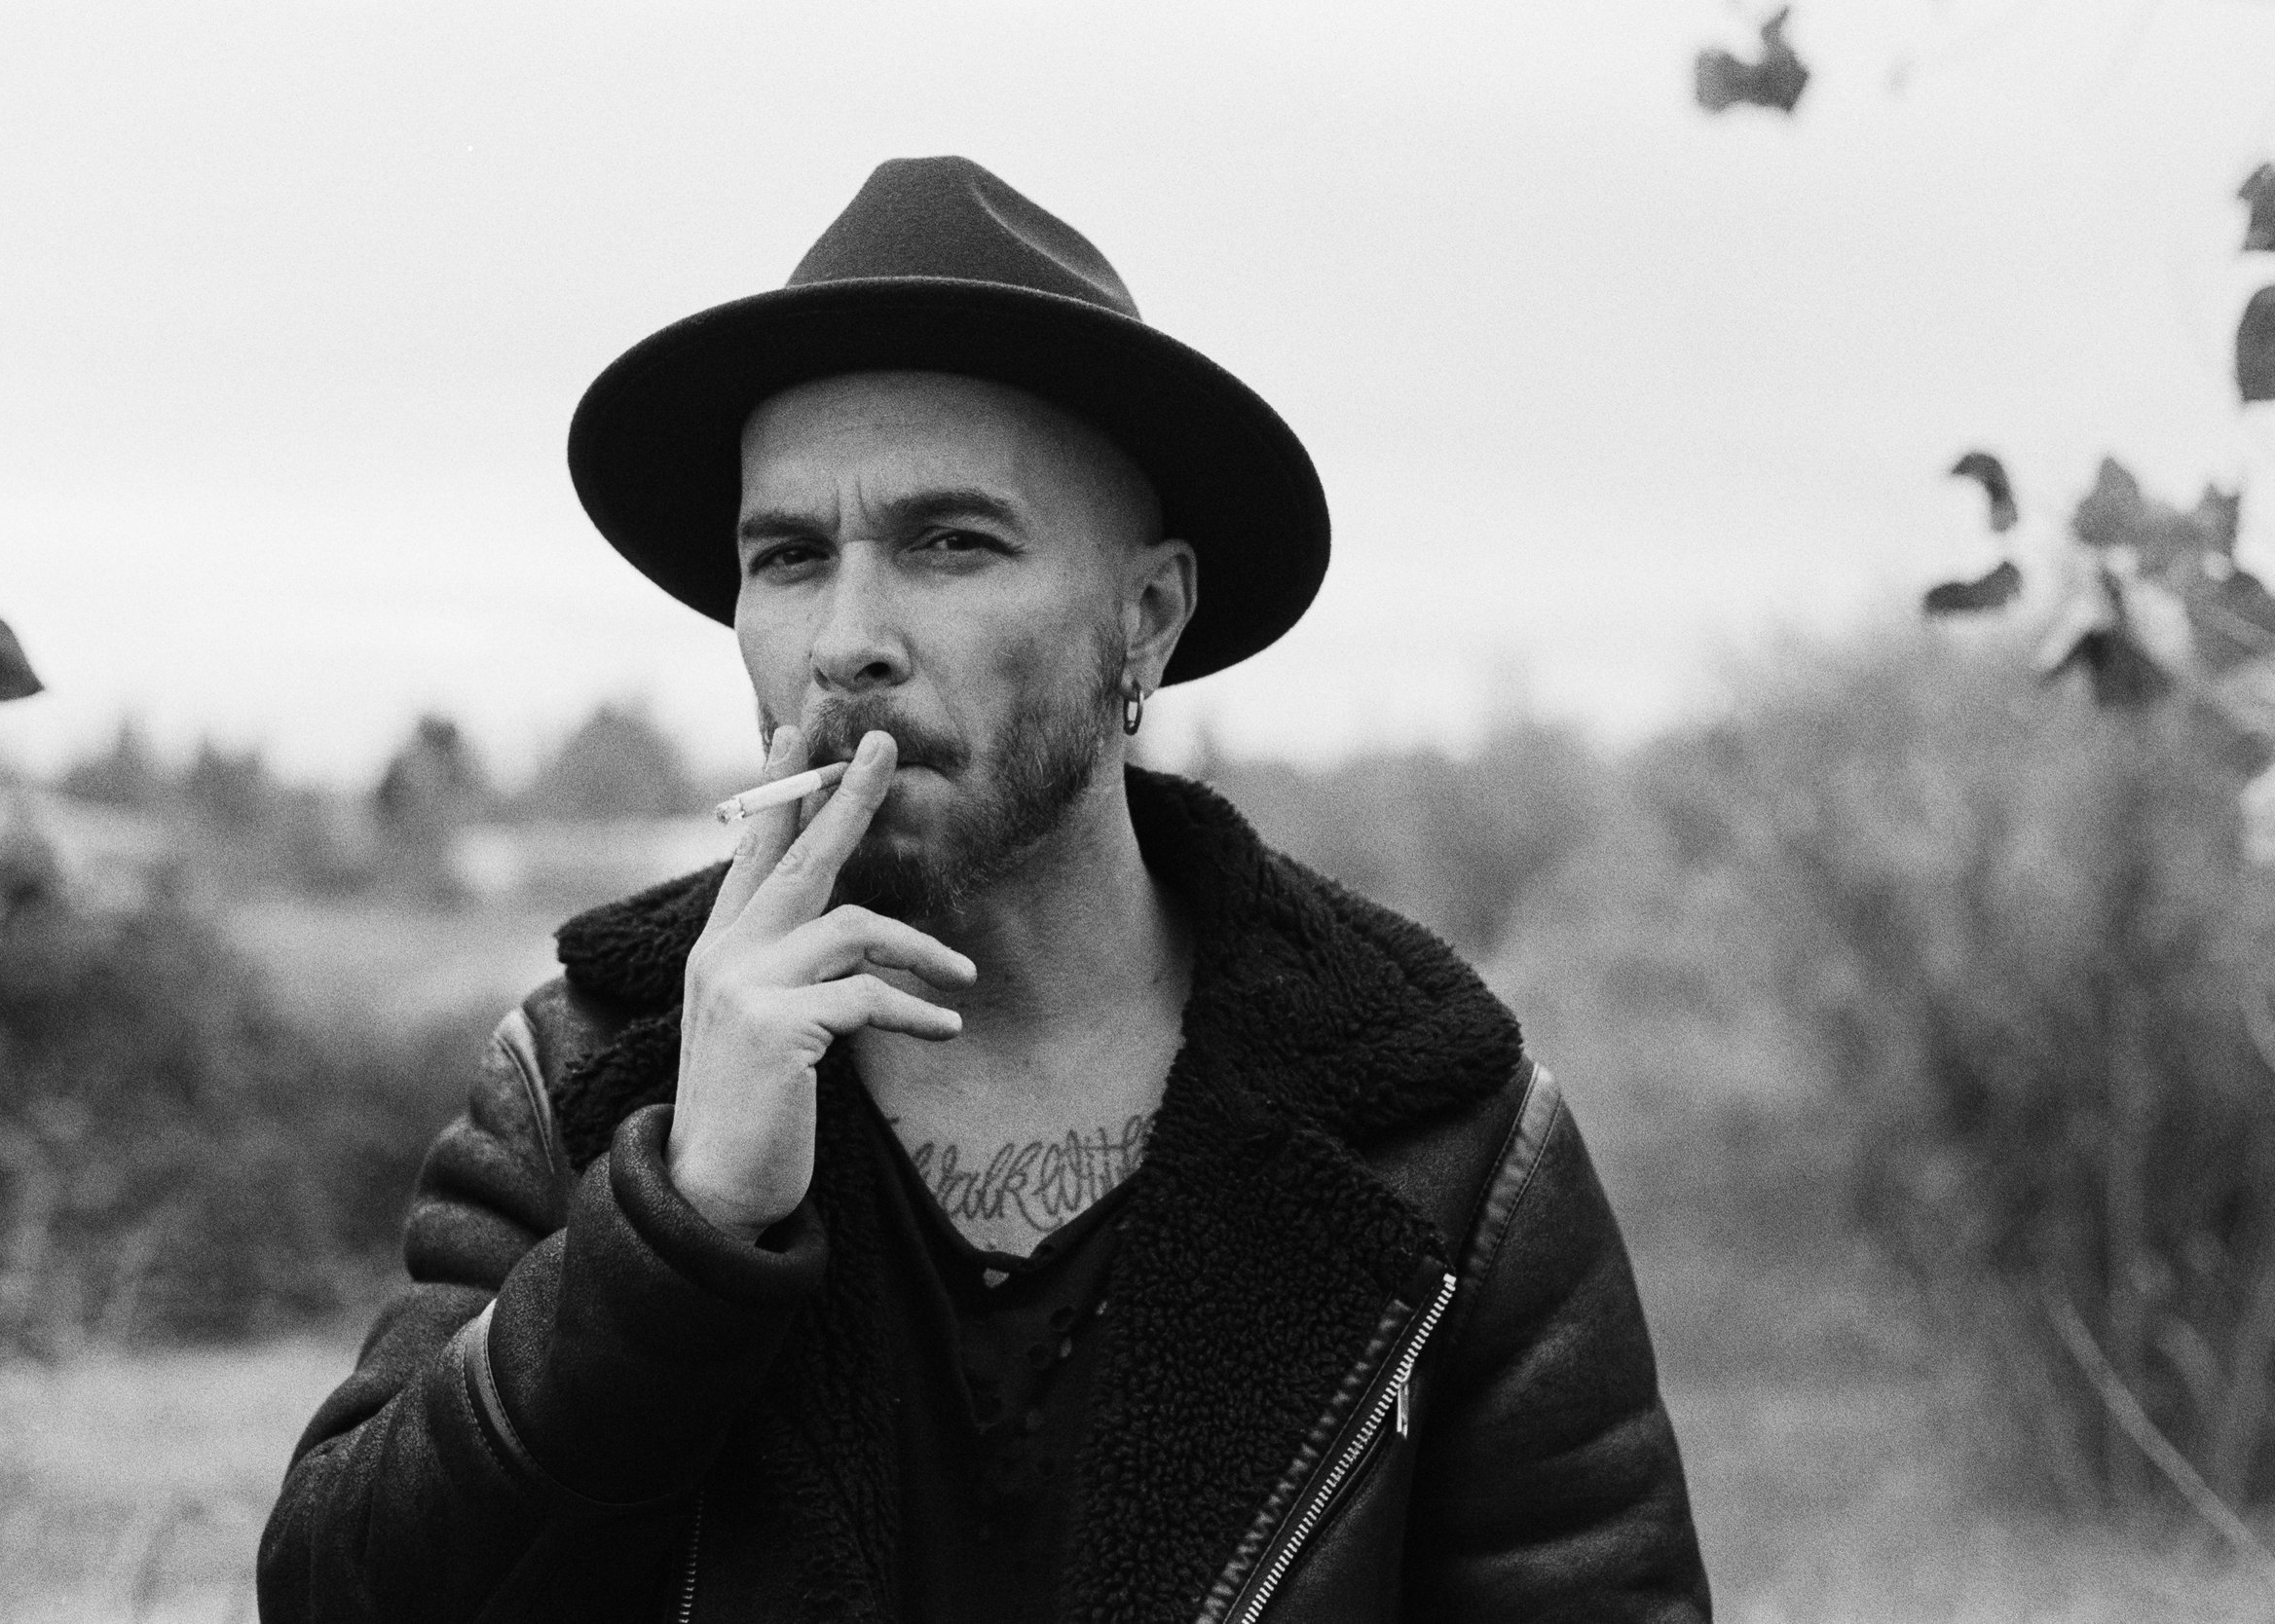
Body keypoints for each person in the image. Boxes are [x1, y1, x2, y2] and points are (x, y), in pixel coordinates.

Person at [259, 155, 1710, 1623]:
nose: (849, 637)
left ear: (1145, 618)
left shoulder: (1439, 1138)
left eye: (951, 543)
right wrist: (678, 1230)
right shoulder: (585, 1072)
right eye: (789, 556)